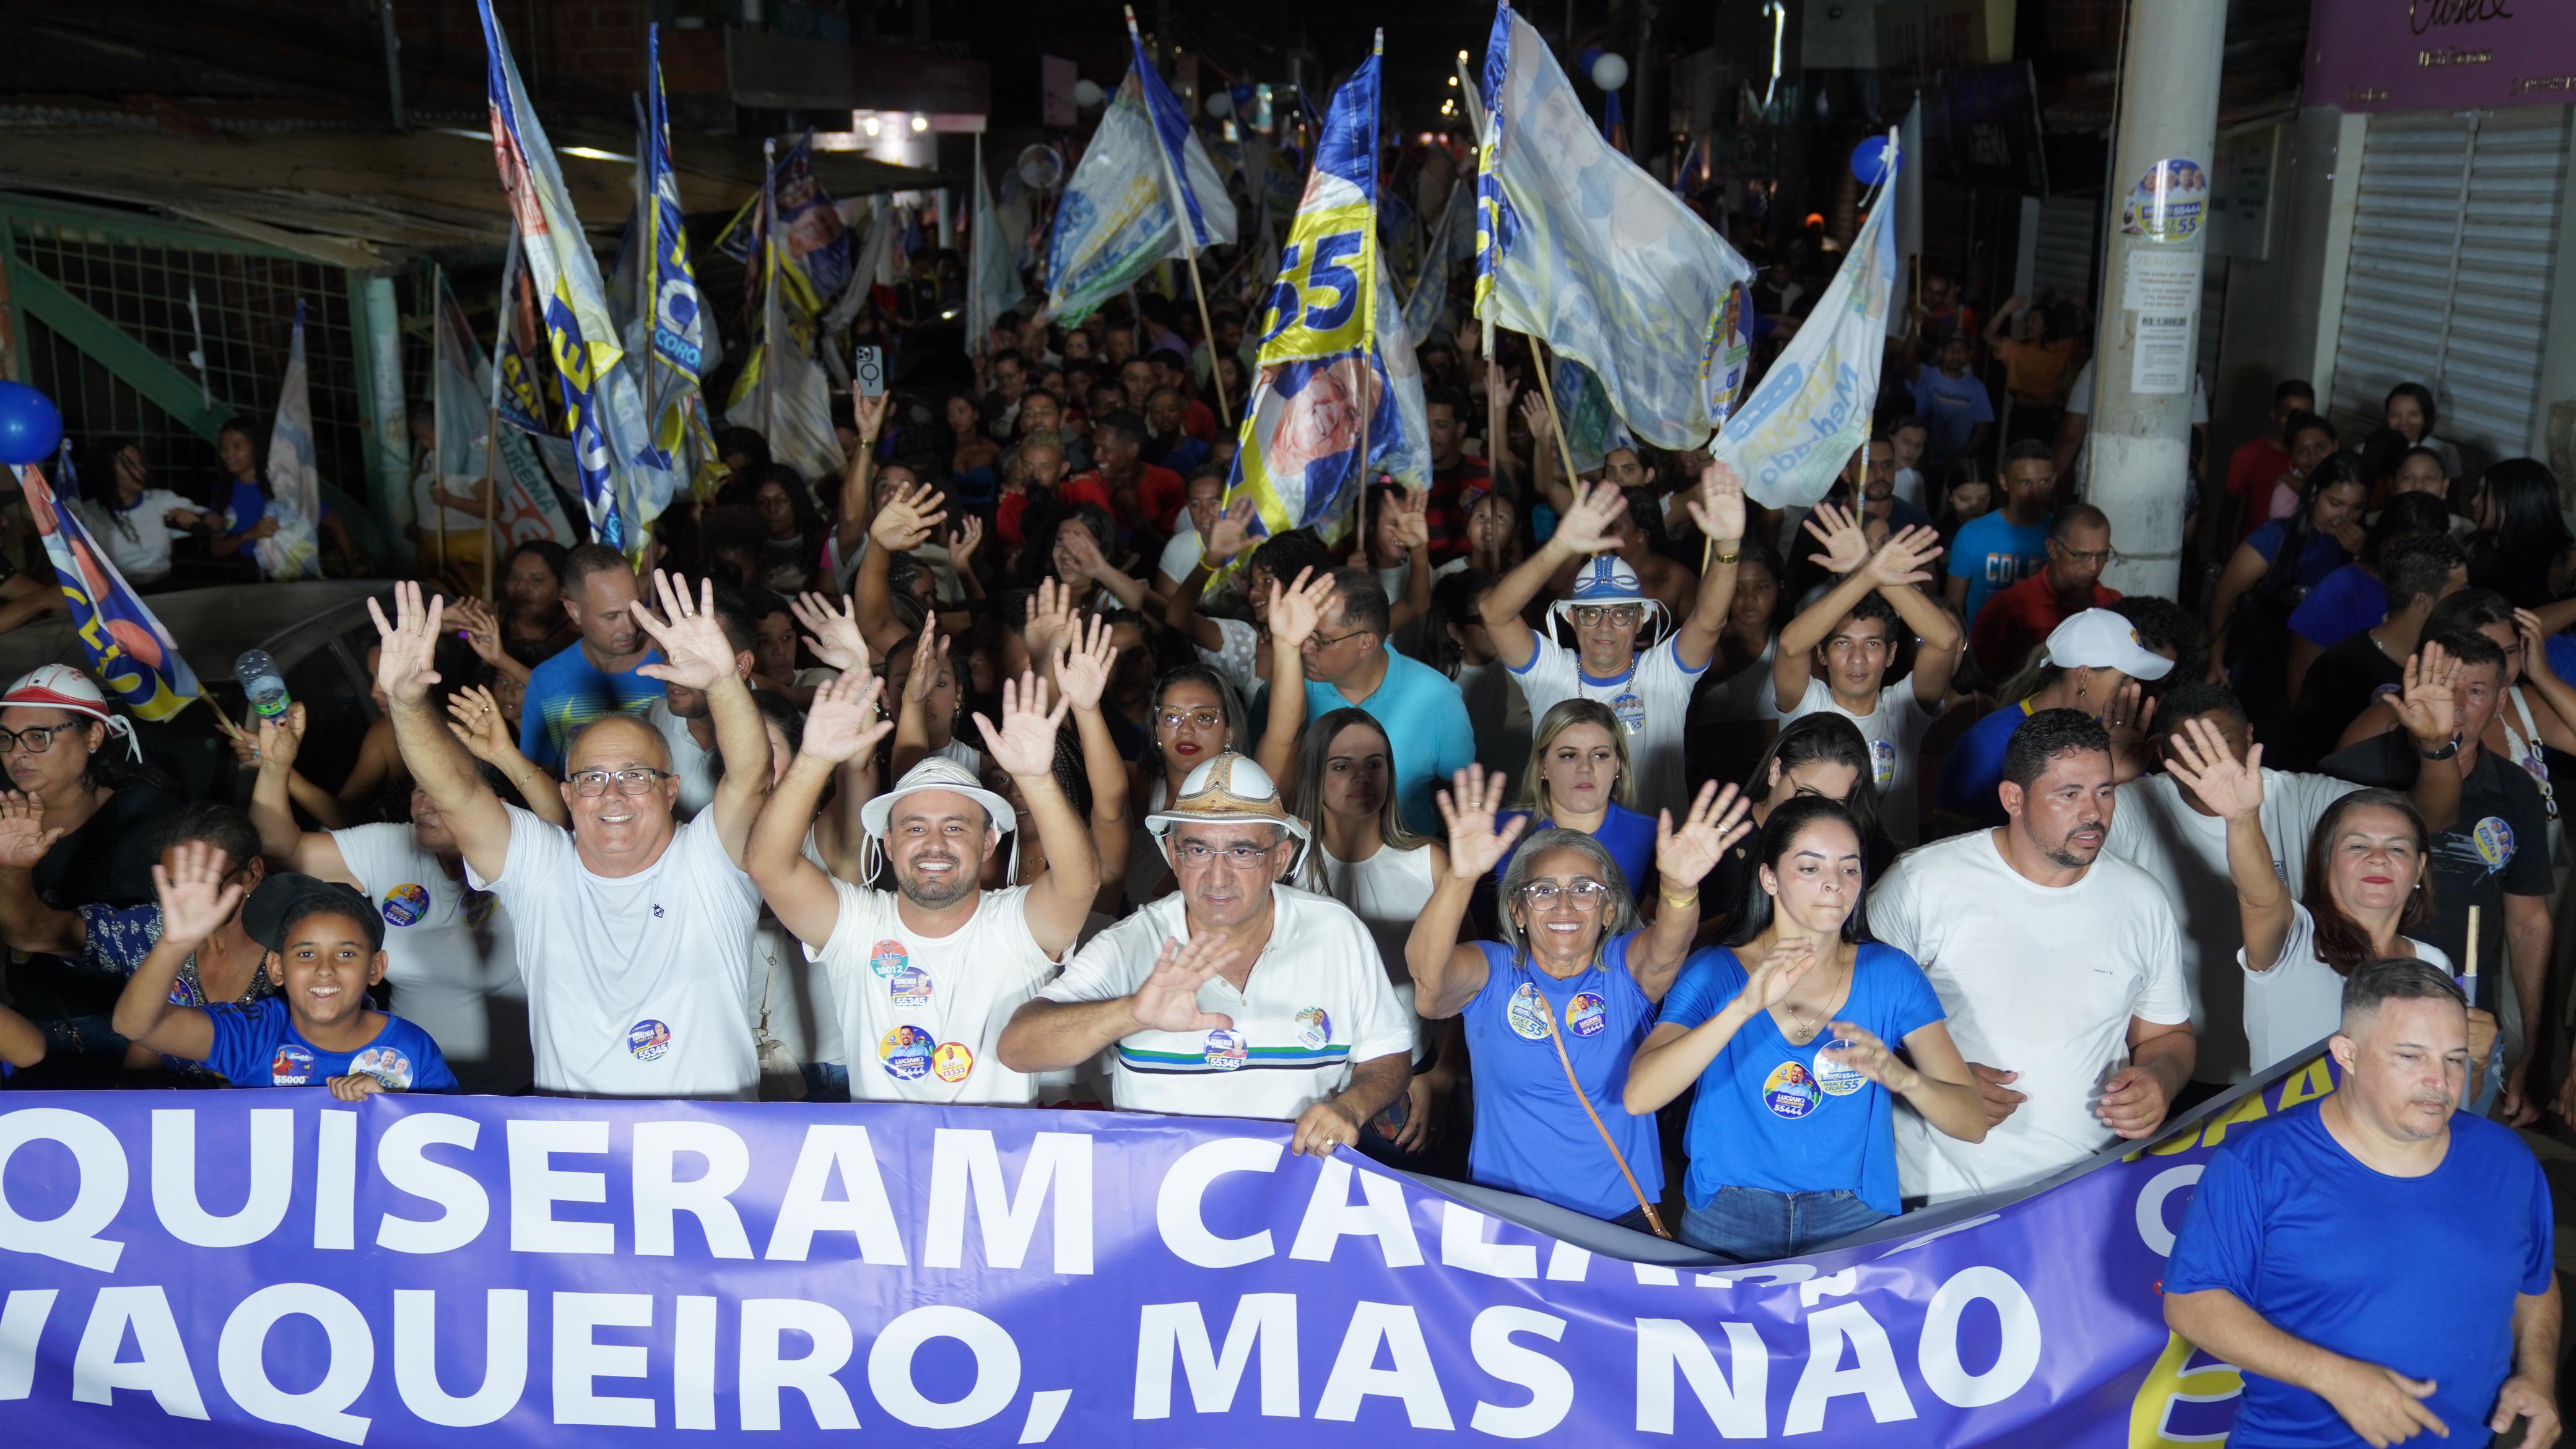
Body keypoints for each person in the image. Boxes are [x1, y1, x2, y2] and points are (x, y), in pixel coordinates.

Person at [374, 576, 775, 1100]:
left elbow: (749, 774)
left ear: (671, 789)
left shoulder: (709, 861)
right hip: (575, 1161)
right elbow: (459, 794)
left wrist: (723, 683)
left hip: (707, 1157)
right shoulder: (542, 868)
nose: (613, 796)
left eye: (636, 776)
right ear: (567, 795)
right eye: (592, 779)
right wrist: (407, 705)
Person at [2164, 960, 2557, 1449]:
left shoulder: (2507, 1161)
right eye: (2411, 1057)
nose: (2440, 1081)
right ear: (2346, 1054)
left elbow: (2534, 1282)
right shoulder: (2260, 1162)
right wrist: (2335, 1378)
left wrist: (2537, 1376)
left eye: (2455, 1059)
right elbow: (2191, 1303)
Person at [998, 754, 1417, 1154]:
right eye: (1198, 850)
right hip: (1155, 1205)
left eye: (1242, 851)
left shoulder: (1336, 932)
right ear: (1173, 856)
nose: (1218, 876)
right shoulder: (1131, 943)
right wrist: (1131, 1014)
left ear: (1280, 859)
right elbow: (1018, 1047)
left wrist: (1351, 1107)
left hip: (1297, 1202)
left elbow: (1388, 1052)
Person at [1626, 796, 1987, 1257]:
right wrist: (1742, 1007)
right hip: (1730, 1215)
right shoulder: (1715, 972)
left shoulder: (1891, 974)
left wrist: (1904, 1078)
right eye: (1811, 869)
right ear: (1769, 877)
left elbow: (1972, 1122)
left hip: (1854, 1215)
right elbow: (1640, 1095)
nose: (1835, 884)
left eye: (1850, 868)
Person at [1874, 709, 2197, 1201]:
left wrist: (2160, 1079)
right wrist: (1931, 1078)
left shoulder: (2143, 899)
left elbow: (2167, 1034)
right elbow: (1836, 1018)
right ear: (2014, 798)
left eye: (2105, 792)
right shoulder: (1923, 883)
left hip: (2084, 1200)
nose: (2094, 813)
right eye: (2069, 794)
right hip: (1935, 1202)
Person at [746, 657, 1099, 1103]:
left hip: (995, 1168)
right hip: (880, 1168)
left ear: (988, 843)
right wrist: (814, 761)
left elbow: (1079, 884)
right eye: (915, 828)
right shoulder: (859, 925)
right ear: (890, 845)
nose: (935, 843)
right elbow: (767, 865)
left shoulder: (1014, 925)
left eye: (955, 827)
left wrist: (1037, 780)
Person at [1409, 767, 1746, 1228]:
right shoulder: (1492, 970)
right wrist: (1459, 878)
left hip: (1619, 1216)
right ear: (1517, 910)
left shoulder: (1625, 968)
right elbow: (1429, 989)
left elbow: (1669, 947)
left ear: (1609, 909)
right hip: (1510, 1220)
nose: (1564, 907)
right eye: (1544, 891)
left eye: (1584, 891)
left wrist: (1681, 888)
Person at [245, 699, 546, 1093]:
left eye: (443, 791)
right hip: (404, 1091)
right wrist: (274, 767)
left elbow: (558, 819)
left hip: (518, 1091)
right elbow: (279, 851)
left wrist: (506, 755)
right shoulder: (390, 845)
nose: (424, 804)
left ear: (496, 806)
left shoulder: (523, 851)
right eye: (419, 788)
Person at [2164, 719, 2486, 1078]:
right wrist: (2241, 819)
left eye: (2396, 848)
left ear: (2418, 869)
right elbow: (2260, 898)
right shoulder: (2295, 941)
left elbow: (2448, 1093)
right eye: (2357, 845)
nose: (2377, 857)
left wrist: (2477, 1059)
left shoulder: (2433, 964)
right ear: (2324, 861)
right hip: (2291, 1133)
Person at [2321, 629, 2554, 1122]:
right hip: (2348, 1027)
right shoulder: (2349, 773)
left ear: (2500, 702)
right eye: (2446, 690)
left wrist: (2532, 1048)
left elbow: (2528, 923)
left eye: (2477, 692)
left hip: (2463, 1037)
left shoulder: (2517, 791)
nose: (2459, 709)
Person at [2103, 685, 2362, 1086]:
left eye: (2221, 745)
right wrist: (2105, 782)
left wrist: (2437, 754)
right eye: (2191, 749)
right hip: (2173, 1057)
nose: (2210, 762)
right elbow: (2050, 856)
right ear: (2160, 754)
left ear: (2251, 737)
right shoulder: (2135, 804)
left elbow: (2415, 819)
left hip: (2293, 1056)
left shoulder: (2299, 794)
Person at [1481, 470, 1744, 812]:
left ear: (1642, 619)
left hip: (1655, 859)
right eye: (1591, 614)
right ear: (1571, 619)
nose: (1605, 626)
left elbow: (1709, 622)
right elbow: (1493, 614)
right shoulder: (1549, 671)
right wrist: (1561, 546)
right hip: (1565, 856)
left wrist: (1726, 548)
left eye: (1620, 613)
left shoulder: (1664, 673)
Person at [110, 853, 455, 1096]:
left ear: (376, 968)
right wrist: (174, 943)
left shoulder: (412, 1048)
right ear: (277, 968)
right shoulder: (253, 1034)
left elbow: (454, 1135)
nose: (324, 969)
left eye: (346, 953)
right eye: (306, 954)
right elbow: (135, 1025)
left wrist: (391, 1108)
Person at [1773, 508, 1960, 845]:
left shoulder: (1903, 708)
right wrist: (1868, 574)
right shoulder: (1807, 704)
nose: (1857, 658)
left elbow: (1946, 640)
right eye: (1843, 643)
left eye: (1872, 644)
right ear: (1822, 653)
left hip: (1890, 877)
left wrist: (1874, 572)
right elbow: (1789, 646)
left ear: (1891, 654)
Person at [1938, 609, 2170, 832]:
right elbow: (1949, 835)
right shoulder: (1990, 740)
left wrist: (2117, 780)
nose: (2132, 689)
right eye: (2123, 680)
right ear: (2083, 676)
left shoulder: (2112, 738)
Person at [1294, 568, 1475, 835]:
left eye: (1320, 640)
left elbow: (1463, 790)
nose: (1304, 648)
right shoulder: (1288, 690)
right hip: (1311, 858)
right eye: (1305, 635)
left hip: (1408, 860)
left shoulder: (1436, 697)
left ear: (1366, 643)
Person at [2279, 534, 2466, 772]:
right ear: (2422, 601)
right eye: (2460, 591)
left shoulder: (2449, 664)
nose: (2466, 602)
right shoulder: (2341, 670)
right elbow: (2307, 760)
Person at [518, 544, 668, 773]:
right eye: (612, 616)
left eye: (635, 609)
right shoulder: (546, 680)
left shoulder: (671, 665)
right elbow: (538, 776)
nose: (629, 627)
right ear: (574, 612)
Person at [1493, 698, 1661, 892]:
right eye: (1569, 755)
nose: (1585, 768)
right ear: (1543, 766)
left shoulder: (1653, 836)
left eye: (1600, 755)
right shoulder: (1499, 831)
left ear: (1618, 765)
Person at [1967, 503, 2120, 682]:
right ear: (2053, 549)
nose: (2094, 567)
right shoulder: (2008, 608)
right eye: (2081, 556)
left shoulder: (2115, 606)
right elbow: (1977, 681)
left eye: (2103, 555)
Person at [1946, 441, 2055, 627]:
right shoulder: (1972, 535)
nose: (2035, 492)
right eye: (2025, 483)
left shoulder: (2062, 533)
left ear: (2054, 480)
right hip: (1983, 650)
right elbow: (1952, 610)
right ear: (2004, 482)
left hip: (2044, 650)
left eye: (2043, 482)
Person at [72, 438, 203, 590]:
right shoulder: (88, 514)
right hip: (116, 597)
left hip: (163, 588)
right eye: (129, 466)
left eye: (140, 462)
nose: (141, 471)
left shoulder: (161, 501)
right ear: (106, 471)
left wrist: (193, 518)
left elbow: (213, 522)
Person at [2223, 378, 2316, 545]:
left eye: (2305, 415)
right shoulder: (2249, 454)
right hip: (2255, 554)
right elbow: (2229, 512)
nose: (2296, 421)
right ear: (2275, 414)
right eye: (2289, 413)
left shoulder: (2321, 458)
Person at [1421, 387, 1492, 563]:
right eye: (1424, 424)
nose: (1430, 434)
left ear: (1460, 431)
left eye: (1441, 425)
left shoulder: (1486, 475)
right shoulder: (1404, 478)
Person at [1909, 332, 1994, 469]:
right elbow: (1906, 362)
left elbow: (1982, 431)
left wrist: (1958, 458)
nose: (1956, 354)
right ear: (1940, 352)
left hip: (1956, 463)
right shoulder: (1926, 375)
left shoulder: (1976, 387)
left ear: (1968, 356)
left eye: (1961, 350)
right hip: (1920, 458)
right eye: (1951, 349)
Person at [2382, 380, 2465, 477]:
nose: (2403, 422)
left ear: (2426, 416)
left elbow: (2454, 491)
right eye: (2395, 415)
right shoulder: (2368, 450)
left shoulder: (2446, 452)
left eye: (2413, 414)